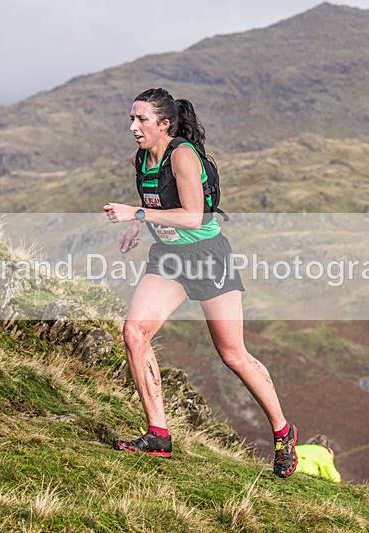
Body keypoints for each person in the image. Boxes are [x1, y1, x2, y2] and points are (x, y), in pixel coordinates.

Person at [103, 88, 298, 478]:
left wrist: (135, 213)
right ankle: (158, 433)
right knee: (134, 332)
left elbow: (193, 217)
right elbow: (159, 202)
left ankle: (283, 431)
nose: (133, 127)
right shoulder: (140, 158)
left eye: (141, 119)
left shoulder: (183, 155)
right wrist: (140, 226)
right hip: (170, 260)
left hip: (209, 259)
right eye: (131, 118)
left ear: (164, 123)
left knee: (233, 355)